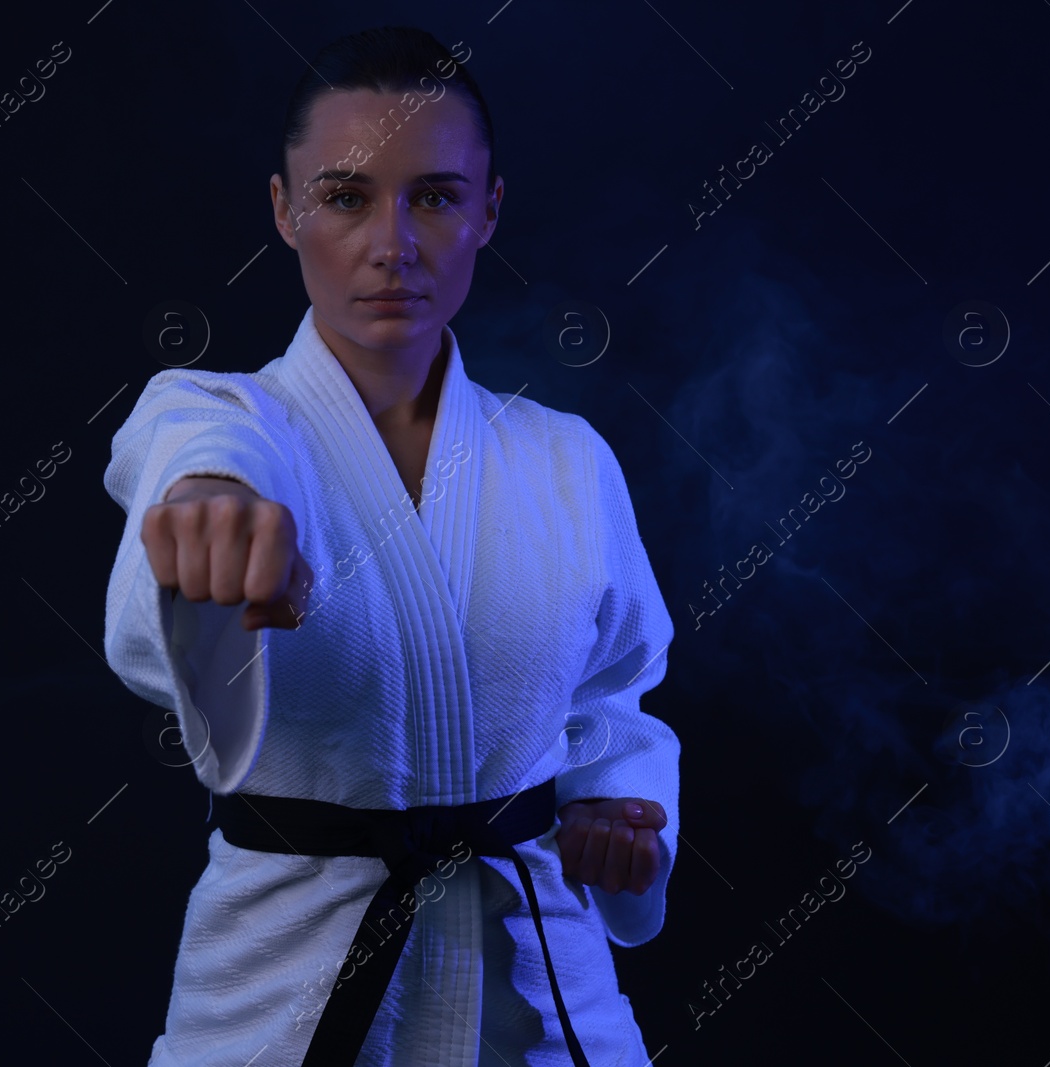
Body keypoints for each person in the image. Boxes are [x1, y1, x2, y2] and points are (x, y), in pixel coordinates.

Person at [102, 25, 679, 1067]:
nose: (392, 244)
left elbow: (609, 703)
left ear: (488, 210)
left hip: (540, 993)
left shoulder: (565, 457)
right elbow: (184, 449)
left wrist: (623, 809)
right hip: (282, 998)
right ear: (284, 210)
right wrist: (211, 506)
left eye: (436, 197)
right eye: (345, 196)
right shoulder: (223, 420)